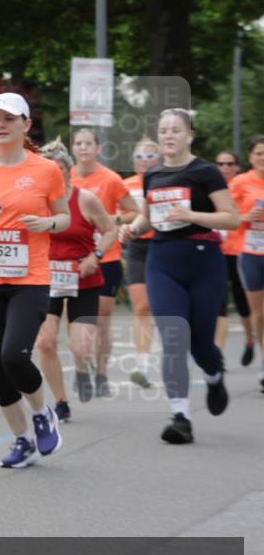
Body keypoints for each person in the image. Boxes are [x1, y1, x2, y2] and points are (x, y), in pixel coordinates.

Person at [0, 93, 70, 468]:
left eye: (9, 118)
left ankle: (42, 413)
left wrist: (47, 224)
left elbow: (64, 217)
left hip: (30, 278)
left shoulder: (46, 170)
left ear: (26, 125)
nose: (0, 125)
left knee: (14, 355)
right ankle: (22, 440)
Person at [120, 109, 240, 444]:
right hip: (162, 262)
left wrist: (191, 215)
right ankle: (180, 417)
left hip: (203, 262)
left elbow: (232, 218)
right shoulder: (153, 174)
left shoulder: (205, 171)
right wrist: (132, 229)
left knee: (202, 344)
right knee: (173, 337)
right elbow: (148, 218)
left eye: (176, 130)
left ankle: (214, 376)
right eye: (163, 131)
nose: (169, 135)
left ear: (190, 134)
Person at [36, 139, 117, 417]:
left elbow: (109, 231)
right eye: (49, 169)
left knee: (81, 347)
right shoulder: (36, 201)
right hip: (46, 278)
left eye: (59, 169)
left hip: (83, 277)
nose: (54, 175)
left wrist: (95, 256)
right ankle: (61, 402)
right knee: (45, 342)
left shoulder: (85, 199)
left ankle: (83, 369)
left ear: (69, 170)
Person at [70, 128, 141, 396]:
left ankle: (101, 373)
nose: (84, 148)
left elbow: (134, 211)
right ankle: (80, 369)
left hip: (105, 256)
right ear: (73, 149)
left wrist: (115, 219)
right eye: (79, 143)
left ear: (98, 149)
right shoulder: (65, 177)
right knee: (75, 320)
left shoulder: (110, 179)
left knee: (100, 320)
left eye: (89, 143)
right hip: (71, 260)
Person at [120, 138, 160, 388]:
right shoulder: (125, 185)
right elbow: (114, 213)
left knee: (166, 308)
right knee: (142, 307)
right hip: (136, 248)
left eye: (149, 156)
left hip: (163, 247)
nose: (144, 161)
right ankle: (142, 365)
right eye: (139, 157)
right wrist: (123, 221)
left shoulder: (165, 180)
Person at [229, 135, 264, 393]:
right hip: (251, 252)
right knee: (259, 313)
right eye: (259, 153)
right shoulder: (241, 182)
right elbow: (227, 216)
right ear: (251, 157)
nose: (263, 158)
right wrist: (245, 216)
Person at [214, 150, 255, 365]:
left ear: (237, 166)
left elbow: (239, 216)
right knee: (218, 302)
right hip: (217, 252)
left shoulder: (243, 184)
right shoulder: (209, 187)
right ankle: (218, 353)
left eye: (230, 164)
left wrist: (244, 217)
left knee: (243, 304)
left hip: (239, 252)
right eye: (220, 164)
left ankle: (249, 339)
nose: (225, 168)